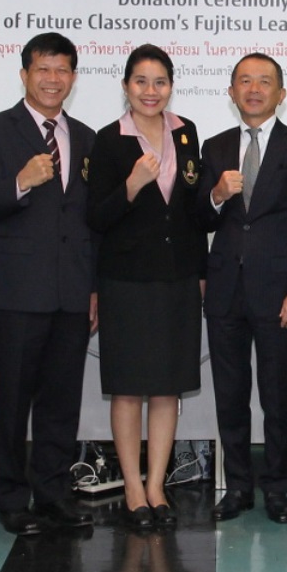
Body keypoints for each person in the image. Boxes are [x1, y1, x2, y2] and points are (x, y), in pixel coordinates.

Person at [0, 33, 97, 537]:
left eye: (62, 70)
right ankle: (10, 497)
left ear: (73, 78)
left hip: (72, 292)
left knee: (61, 402)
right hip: (18, 291)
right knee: (11, 402)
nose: (52, 79)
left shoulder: (86, 137)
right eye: (43, 69)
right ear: (24, 74)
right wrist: (21, 181)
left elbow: (91, 221)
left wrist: (93, 288)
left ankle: (53, 492)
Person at [198, 53, 287, 525]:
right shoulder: (214, 147)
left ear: (281, 94)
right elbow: (200, 218)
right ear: (231, 92)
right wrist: (216, 195)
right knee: (230, 395)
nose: (254, 89)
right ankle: (238, 488)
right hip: (225, 291)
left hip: (279, 294)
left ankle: (275, 488)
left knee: (275, 395)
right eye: (245, 81)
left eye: (264, 82)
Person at [85, 45, 206, 530]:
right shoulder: (108, 140)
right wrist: (132, 185)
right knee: (129, 389)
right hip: (126, 281)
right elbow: (97, 217)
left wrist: (201, 272)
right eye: (141, 81)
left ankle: (157, 486)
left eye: (159, 82)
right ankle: (133, 489)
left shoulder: (186, 131)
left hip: (178, 278)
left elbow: (193, 212)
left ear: (171, 86)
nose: (150, 91)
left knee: (166, 388)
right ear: (125, 86)